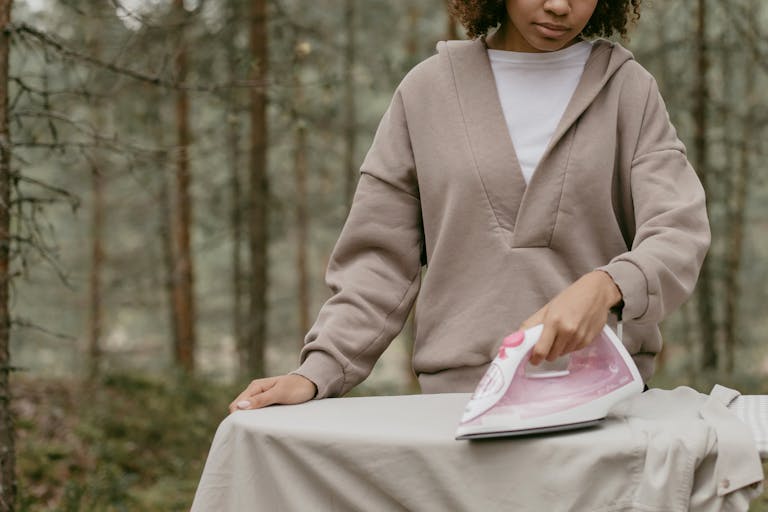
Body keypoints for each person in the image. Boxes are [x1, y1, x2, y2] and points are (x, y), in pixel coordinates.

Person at [229, 0, 710, 413]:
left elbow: (678, 231)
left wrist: (608, 284)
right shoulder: (426, 92)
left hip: (605, 404)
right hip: (456, 407)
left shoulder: (629, 90)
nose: (561, 6)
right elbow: (377, 262)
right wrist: (318, 371)